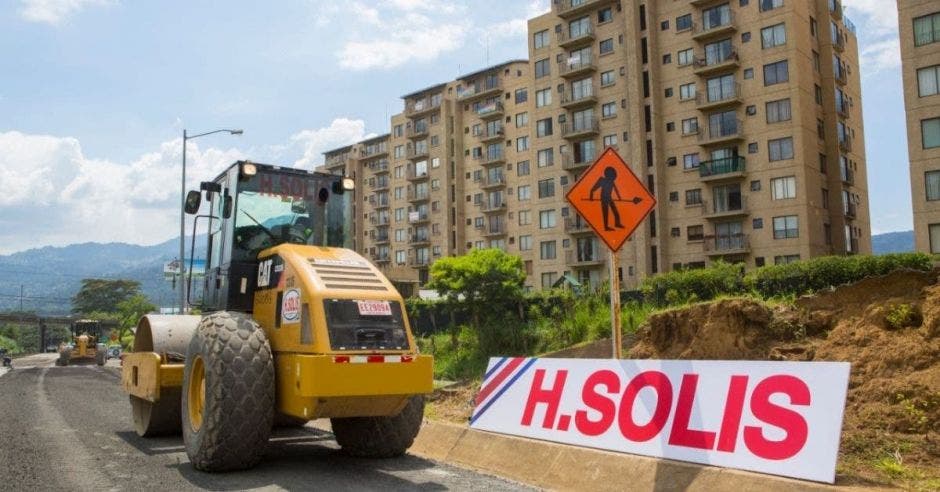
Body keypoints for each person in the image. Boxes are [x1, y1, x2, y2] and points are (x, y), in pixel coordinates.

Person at [589, 166, 625, 231]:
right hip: (603, 198)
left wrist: (619, 197)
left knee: (615, 211)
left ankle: (617, 223)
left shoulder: (611, 182)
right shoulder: (602, 180)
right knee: (605, 212)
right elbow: (593, 188)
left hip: (609, 197)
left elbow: (616, 190)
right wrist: (591, 196)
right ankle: (606, 227)